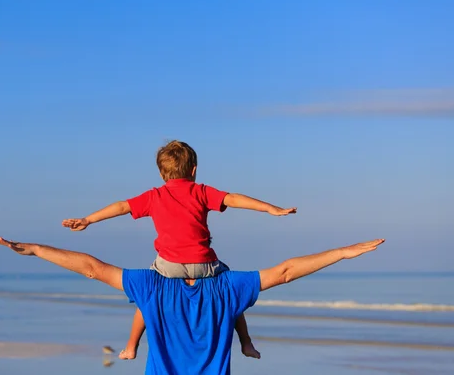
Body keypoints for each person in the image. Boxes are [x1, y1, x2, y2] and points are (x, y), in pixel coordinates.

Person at [0, 236, 385, 375]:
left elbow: (92, 268)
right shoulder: (228, 285)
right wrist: (341, 252)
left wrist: (38, 250)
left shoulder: (151, 284)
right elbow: (284, 272)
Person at [61, 140, 297, 359]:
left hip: (168, 267)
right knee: (232, 293)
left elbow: (122, 206)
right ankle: (246, 343)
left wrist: (88, 219)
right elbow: (232, 198)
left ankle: (131, 346)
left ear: (161, 173)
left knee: (147, 295)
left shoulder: (155, 196)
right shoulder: (201, 191)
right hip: (205, 265)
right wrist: (270, 208)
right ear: (193, 170)